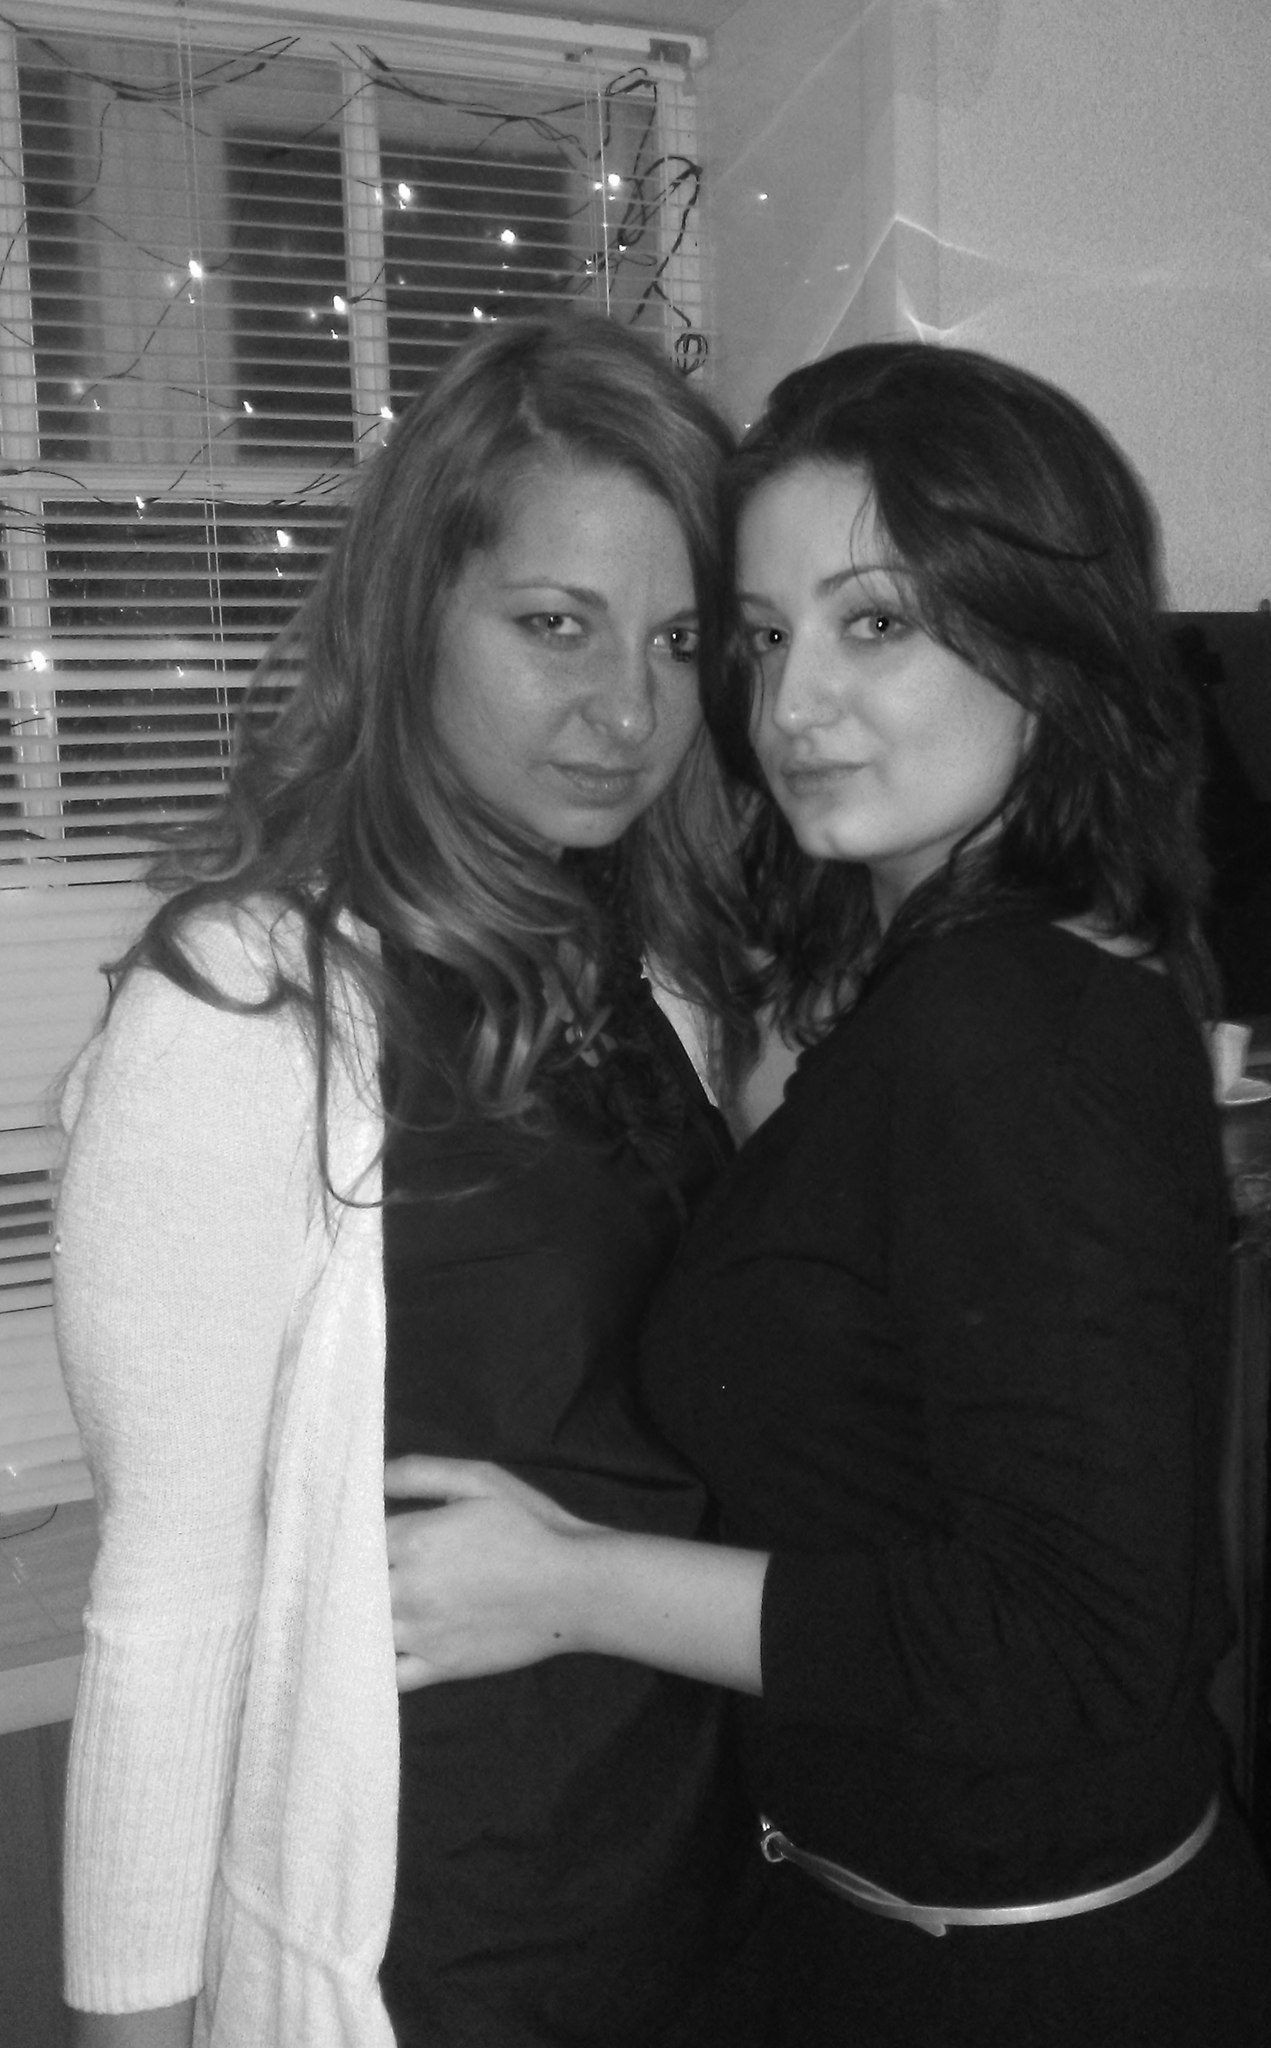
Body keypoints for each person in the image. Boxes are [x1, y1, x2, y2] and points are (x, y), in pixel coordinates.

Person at [380, 341, 1271, 2044]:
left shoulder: (1009, 1022)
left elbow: (1072, 1635)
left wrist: (567, 1583)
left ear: (1045, 637)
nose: (791, 706)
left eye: (877, 623)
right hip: (899, 1929)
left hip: (1022, 1978)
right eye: (762, 636)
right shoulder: (935, 980)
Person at [54, 311, 763, 2048]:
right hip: (432, 1943)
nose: (629, 709)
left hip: (689, 1886)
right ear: (411, 614)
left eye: (677, 641)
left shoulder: (653, 974)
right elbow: (168, 1595)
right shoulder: (247, 1003)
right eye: (555, 624)